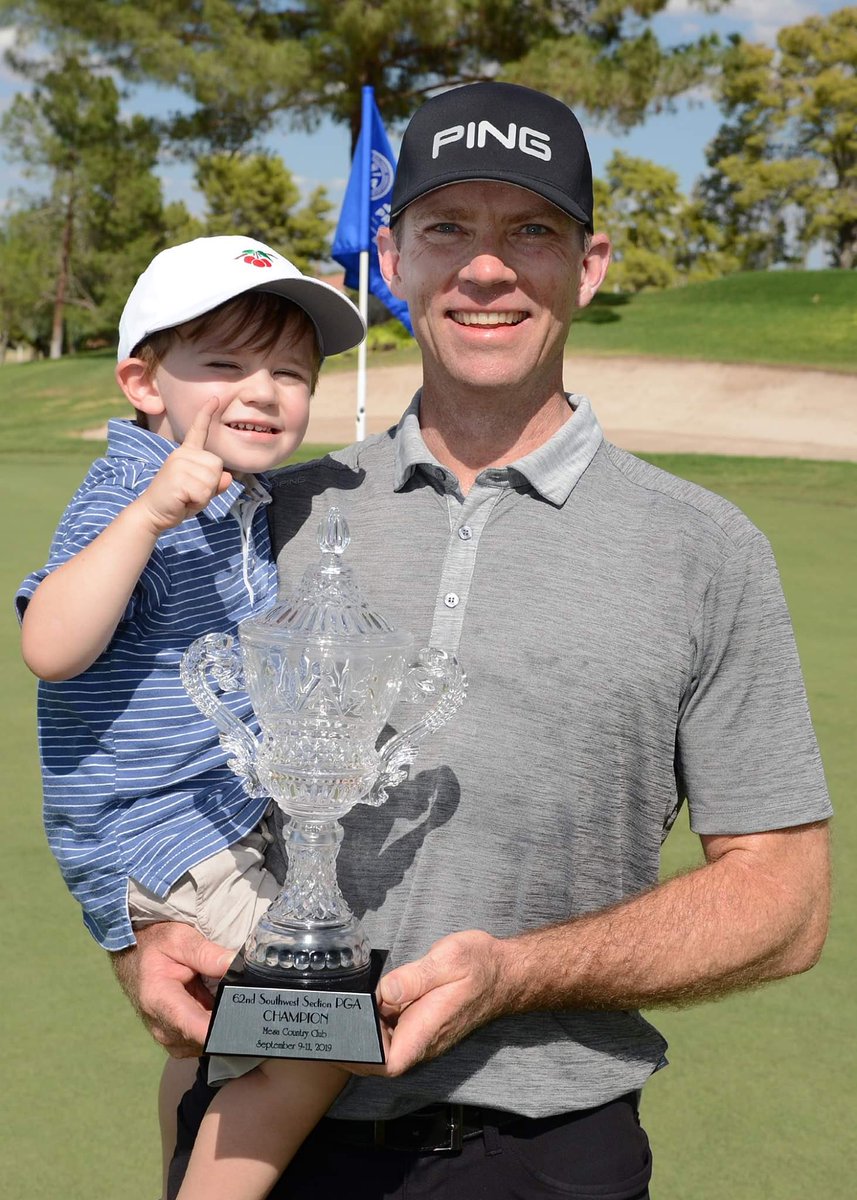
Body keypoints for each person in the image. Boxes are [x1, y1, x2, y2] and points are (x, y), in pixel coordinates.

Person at [116, 86, 831, 1200]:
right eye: (447, 229)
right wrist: (141, 934)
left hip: (539, 1154)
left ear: (587, 265)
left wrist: (518, 972)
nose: (484, 269)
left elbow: (783, 902)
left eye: (529, 231)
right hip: (259, 1138)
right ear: (393, 258)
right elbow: (126, 730)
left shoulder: (706, 548)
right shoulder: (257, 515)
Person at [16, 235, 368, 1200]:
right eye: (224, 363)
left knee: (215, 1039)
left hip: (211, 818)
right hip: (159, 829)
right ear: (142, 381)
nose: (264, 390)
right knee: (319, 1024)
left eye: (291, 372)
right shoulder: (133, 488)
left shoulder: (233, 490)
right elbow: (50, 644)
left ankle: (183, 1161)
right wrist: (144, 520)